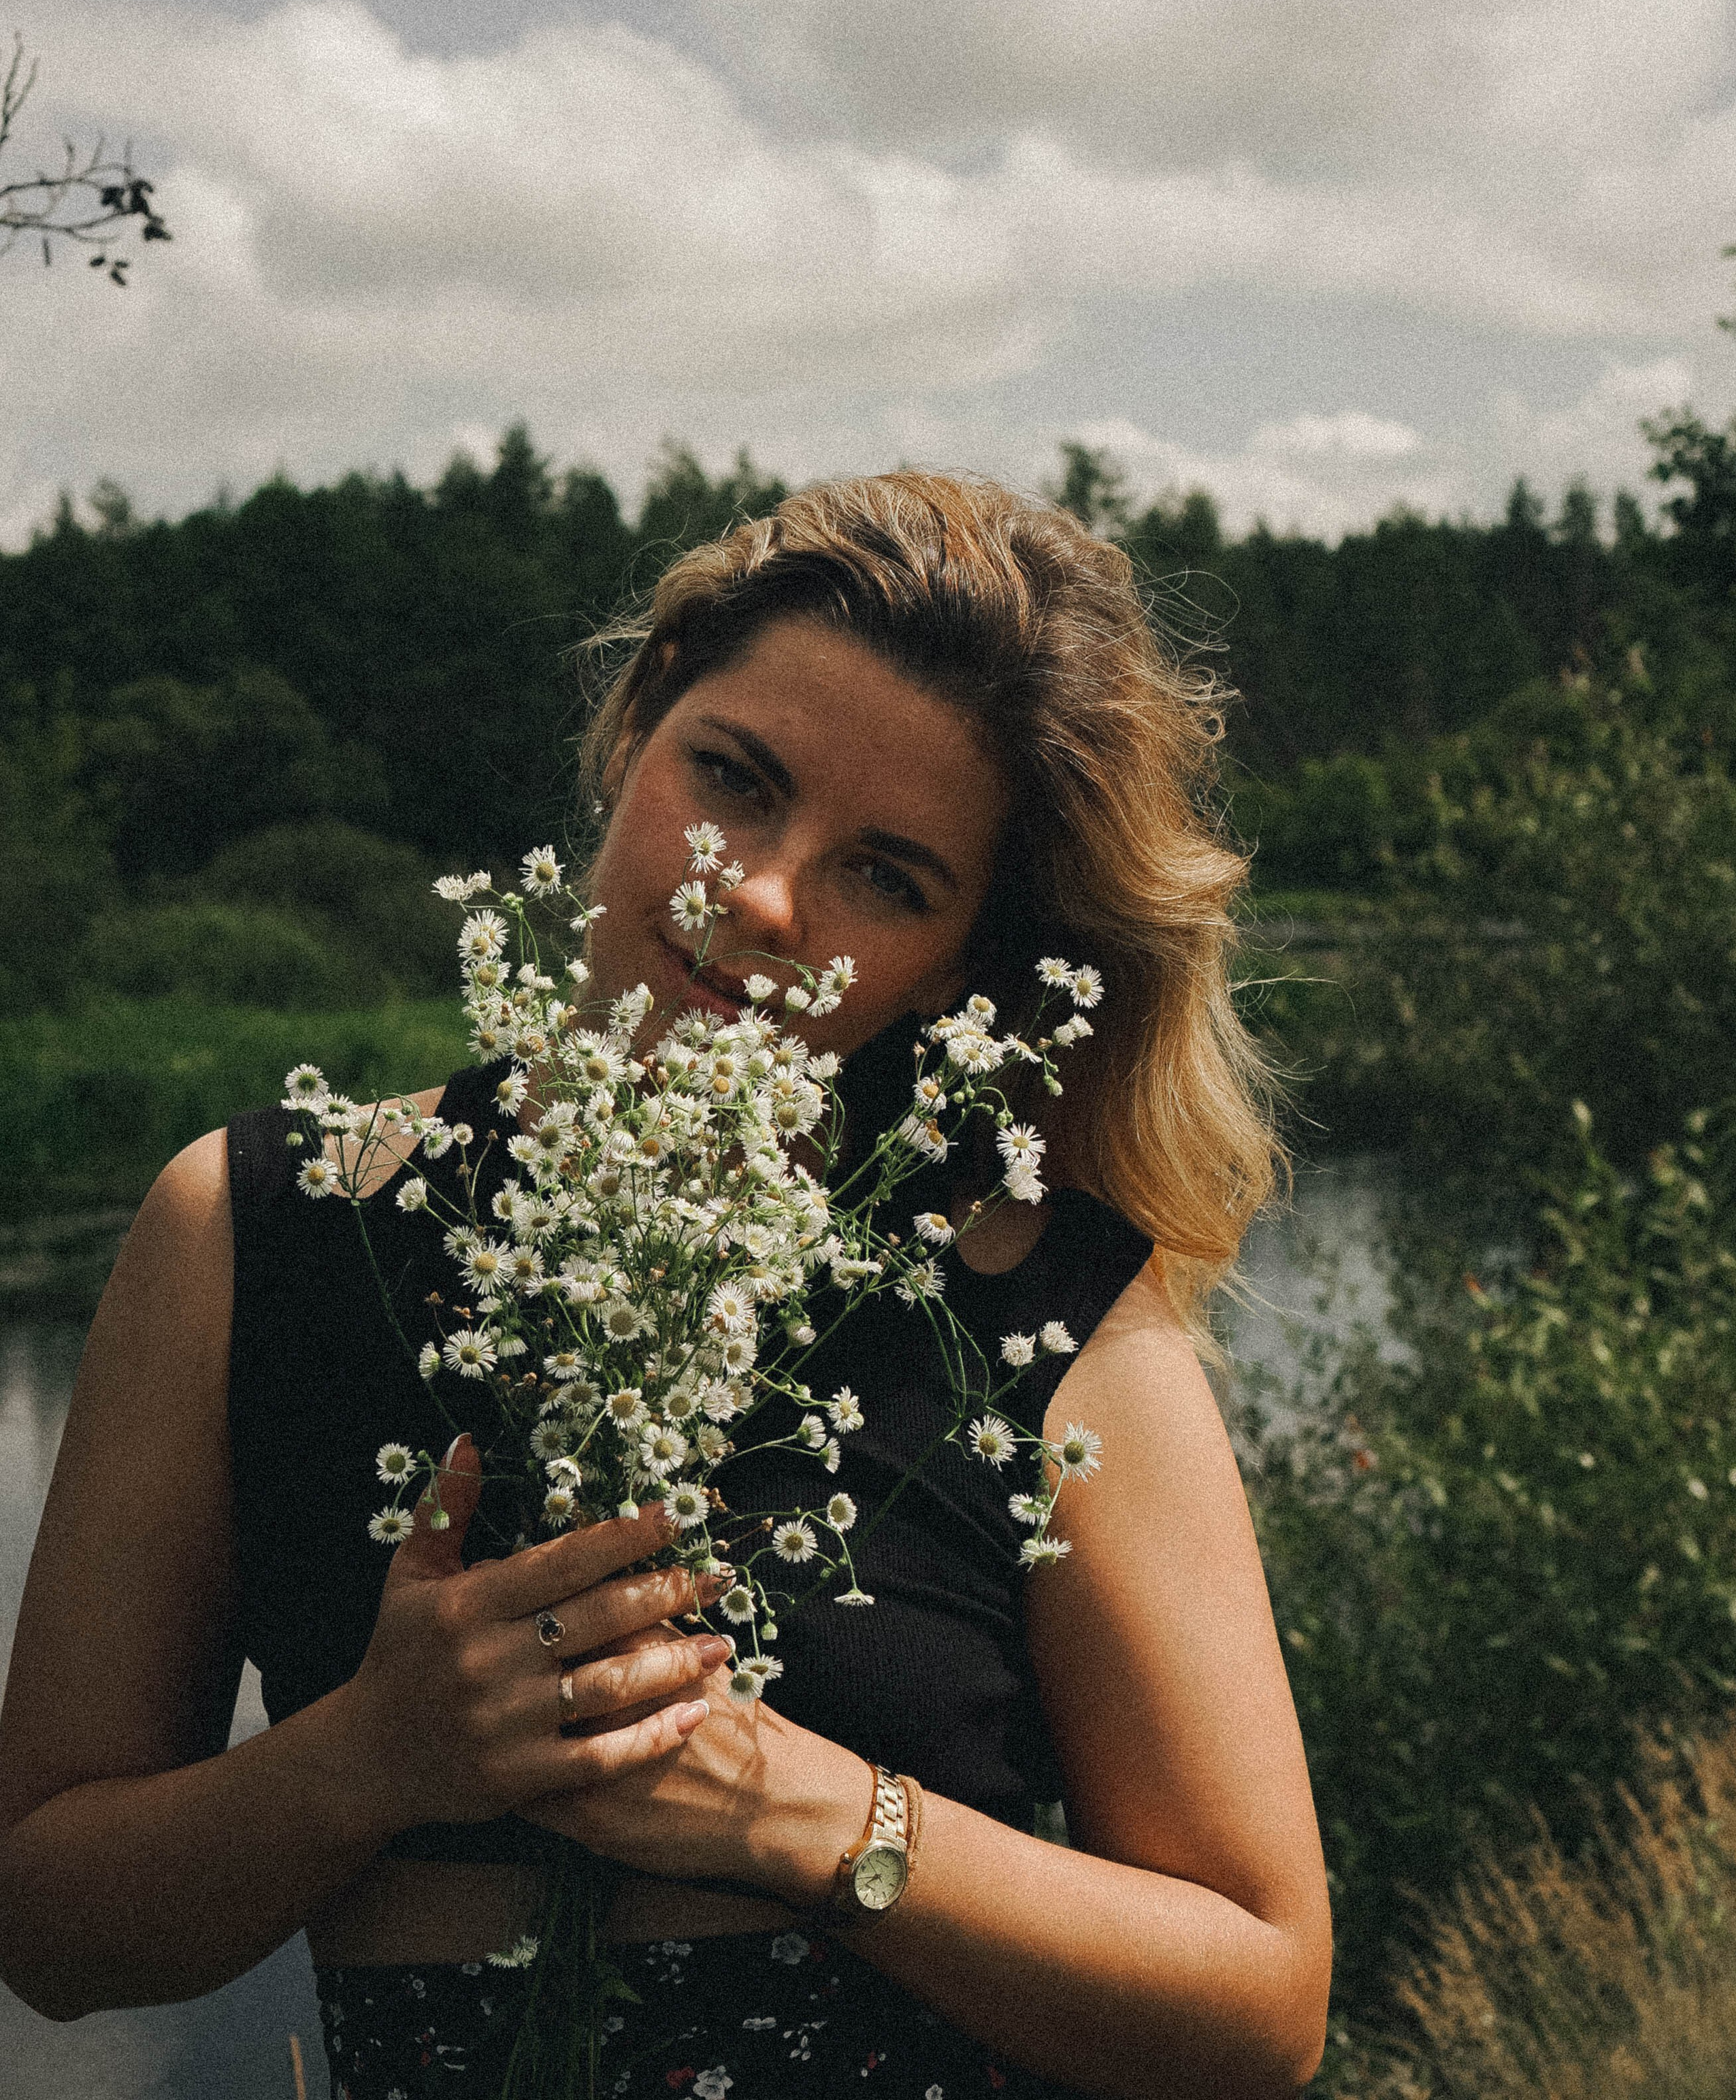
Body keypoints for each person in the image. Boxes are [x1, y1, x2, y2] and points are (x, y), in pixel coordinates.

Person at [0, 471, 1332, 2097]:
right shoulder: (260, 1228)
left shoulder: (1041, 1325)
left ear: (963, 962)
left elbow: (1261, 2010)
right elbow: (47, 1933)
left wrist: (804, 1811)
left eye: (887, 878)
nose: (764, 898)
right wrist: (362, 1762)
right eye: (734, 778)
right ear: (638, 726)